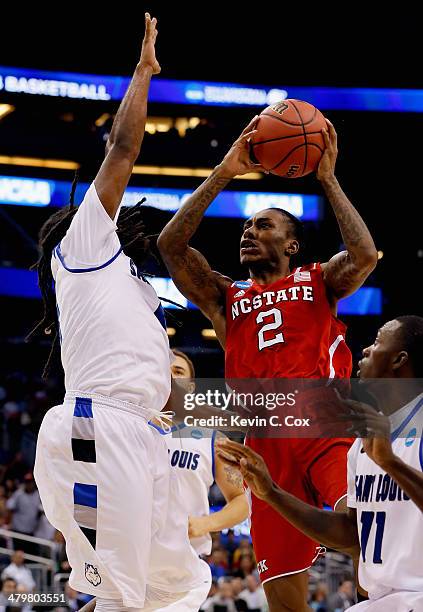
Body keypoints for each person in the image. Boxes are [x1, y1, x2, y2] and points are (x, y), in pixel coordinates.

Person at [158, 115, 377, 610]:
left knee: (367, 545)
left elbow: (363, 254)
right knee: (284, 601)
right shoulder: (225, 297)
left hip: (325, 427)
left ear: (292, 244)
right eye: (246, 227)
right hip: (265, 445)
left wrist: (327, 178)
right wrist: (225, 171)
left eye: (264, 225)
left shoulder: (318, 280)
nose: (250, 233)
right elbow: (170, 246)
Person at [31, 14, 198, 611]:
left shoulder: (136, 288)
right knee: (122, 597)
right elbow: (123, 150)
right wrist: (143, 72)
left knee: (173, 588)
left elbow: (170, 389)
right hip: (97, 428)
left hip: (146, 433)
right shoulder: (82, 250)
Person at [216, 316, 423, 610]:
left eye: (377, 342)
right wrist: (272, 492)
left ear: (400, 360)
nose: (365, 349)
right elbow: (351, 533)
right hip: (381, 601)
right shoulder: (362, 444)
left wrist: (390, 463)